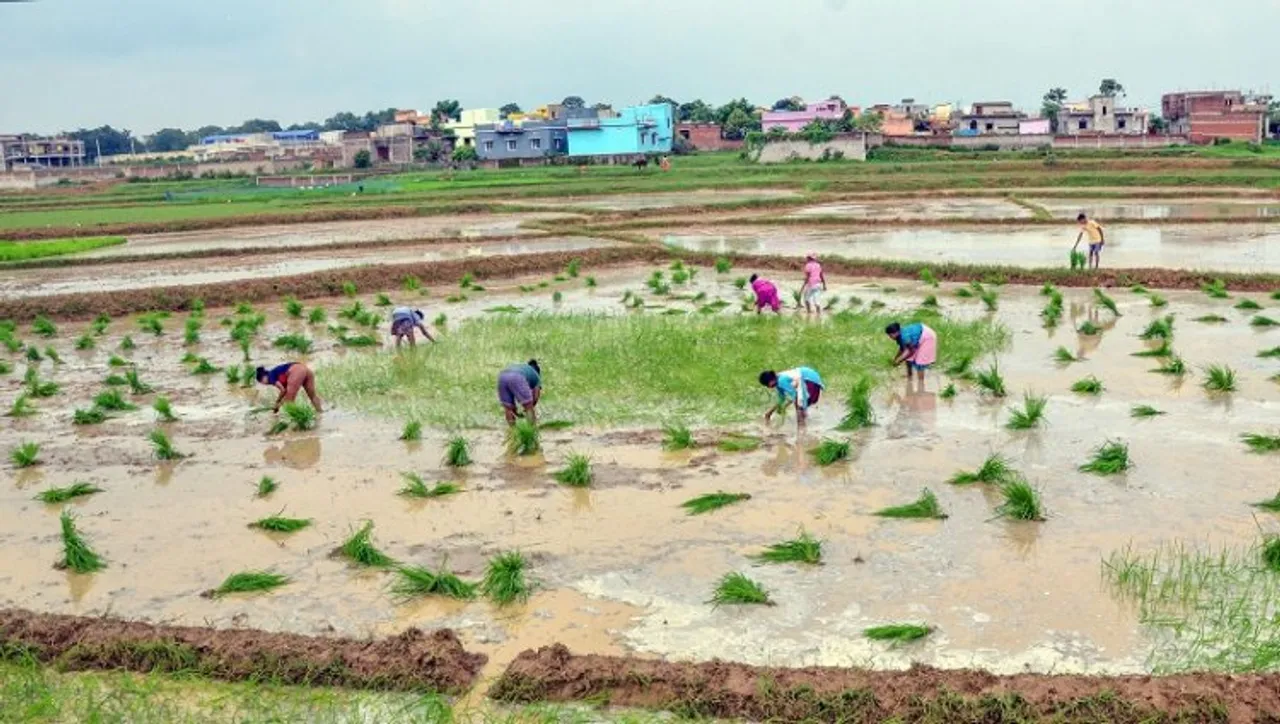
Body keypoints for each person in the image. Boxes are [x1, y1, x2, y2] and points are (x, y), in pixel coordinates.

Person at [759, 366, 824, 428]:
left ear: (770, 381)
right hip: (808, 378)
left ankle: (801, 431)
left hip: (810, 379)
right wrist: (770, 413)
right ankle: (803, 424)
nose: (769, 387)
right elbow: (782, 399)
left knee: (799, 406)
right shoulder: (778, 382)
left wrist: (785, 407)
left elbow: (795, 395)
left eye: (767, 385)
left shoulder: (781, 381)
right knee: (801, 405)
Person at [256, 362, 323, 414]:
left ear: (263, 378)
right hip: (303, 368)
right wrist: (278, 405)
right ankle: (320, 413)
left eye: (262, 382)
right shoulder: (275, 374)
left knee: (290, 402)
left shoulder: (270, 377)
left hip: (295, 370)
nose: (264, 384)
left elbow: (283, 390)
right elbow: (286, 392)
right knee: (313, 396)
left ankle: (298, 420)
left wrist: (278, 402)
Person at [497, 359, 541, 426]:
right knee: (529, 406)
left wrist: (515, 411)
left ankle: (512, 432)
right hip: (517, 376)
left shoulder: (523, 367)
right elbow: (535, 397)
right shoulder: (536, 376)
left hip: (502, 376)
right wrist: (528, 409)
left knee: (508, 408)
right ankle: (532, 429)